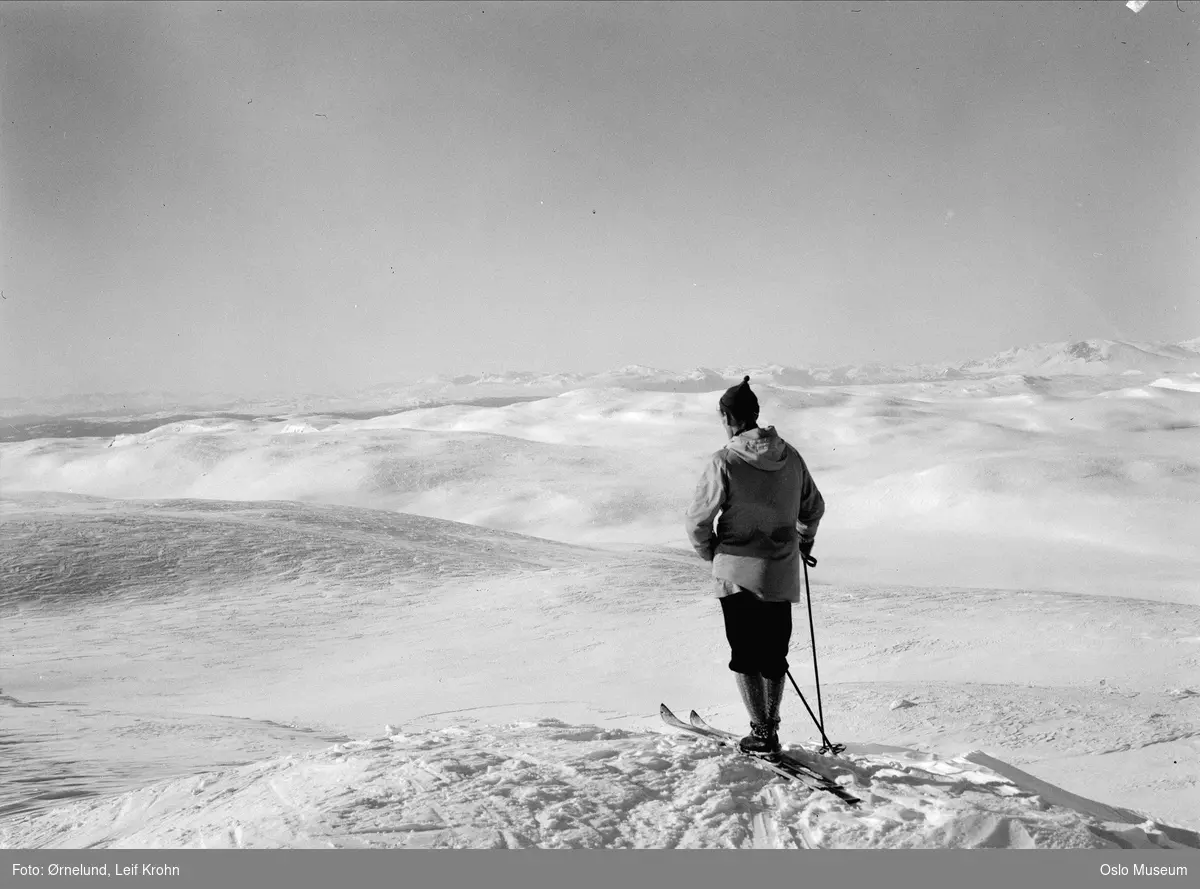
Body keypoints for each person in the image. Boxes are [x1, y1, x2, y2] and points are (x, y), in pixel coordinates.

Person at [684, 376, 825, 757]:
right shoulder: (790, 456)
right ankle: (770, 726)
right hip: (780, 570)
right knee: (774, 654)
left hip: (737, 572)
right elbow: (813, 507)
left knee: (745, 654)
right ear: (756, 414)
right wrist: (802, 539)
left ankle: (761, 731)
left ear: (727, 417)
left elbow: (697, 521)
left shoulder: (725, 461)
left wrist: (713, 553)